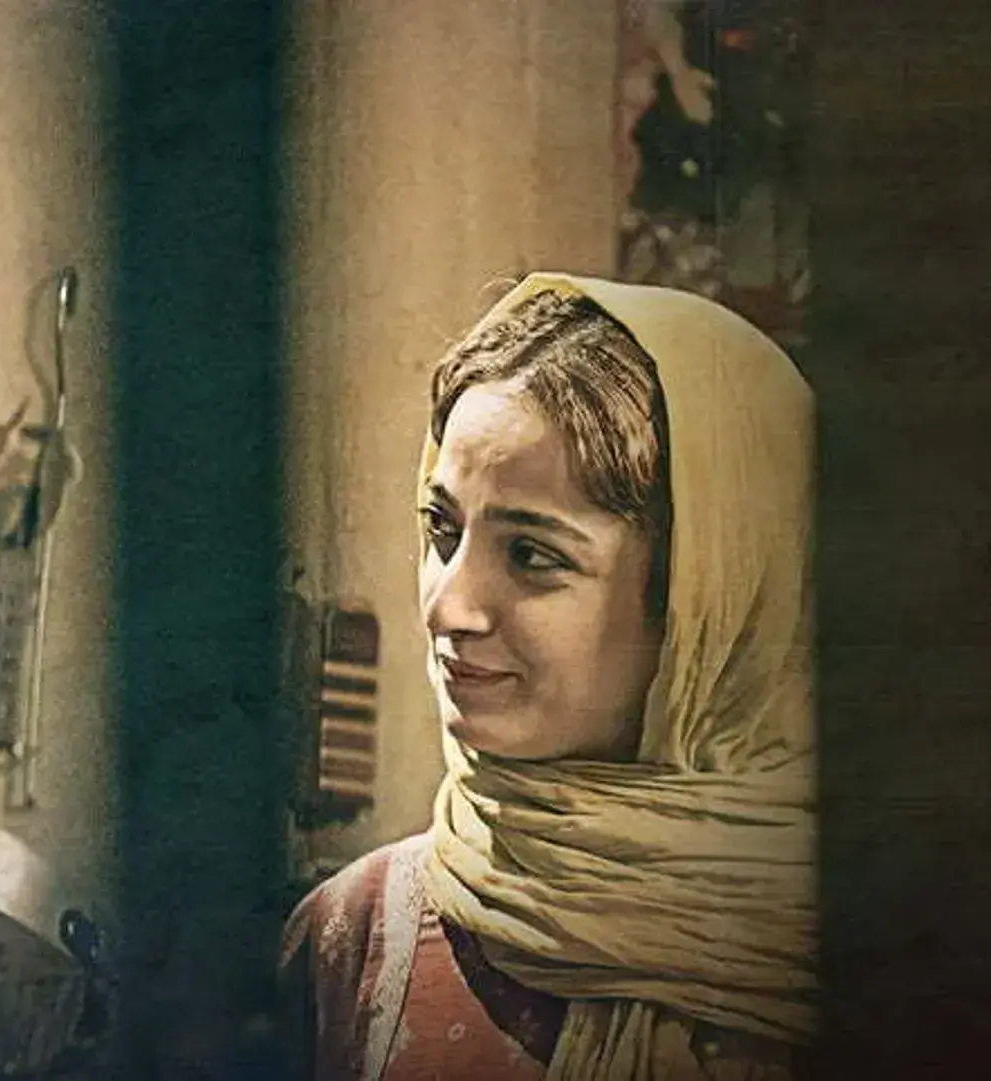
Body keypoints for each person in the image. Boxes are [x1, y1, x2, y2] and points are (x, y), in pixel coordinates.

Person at [280, 272, 816, 1080]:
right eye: (442, 530)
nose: (447, 606)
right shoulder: (352, 941)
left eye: (531, 554)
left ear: (712, 604)